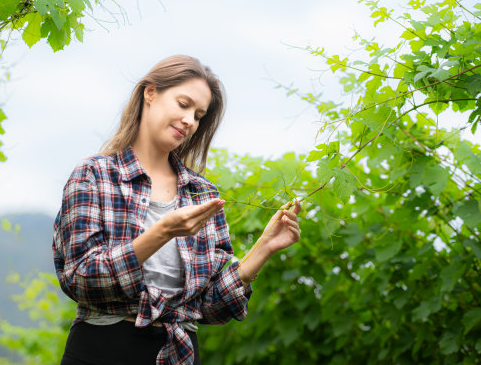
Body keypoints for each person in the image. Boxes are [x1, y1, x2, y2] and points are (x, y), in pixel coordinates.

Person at [53, 55, 302, 365]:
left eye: (198, 115)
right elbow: (81, 279)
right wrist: (162, 232)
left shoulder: (201, 192)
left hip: (179, 353)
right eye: (183, 105)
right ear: (150, 93)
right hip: (103, 349)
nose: (190, 121)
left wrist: (263, 248)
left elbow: (211, 306)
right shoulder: (95, 175)